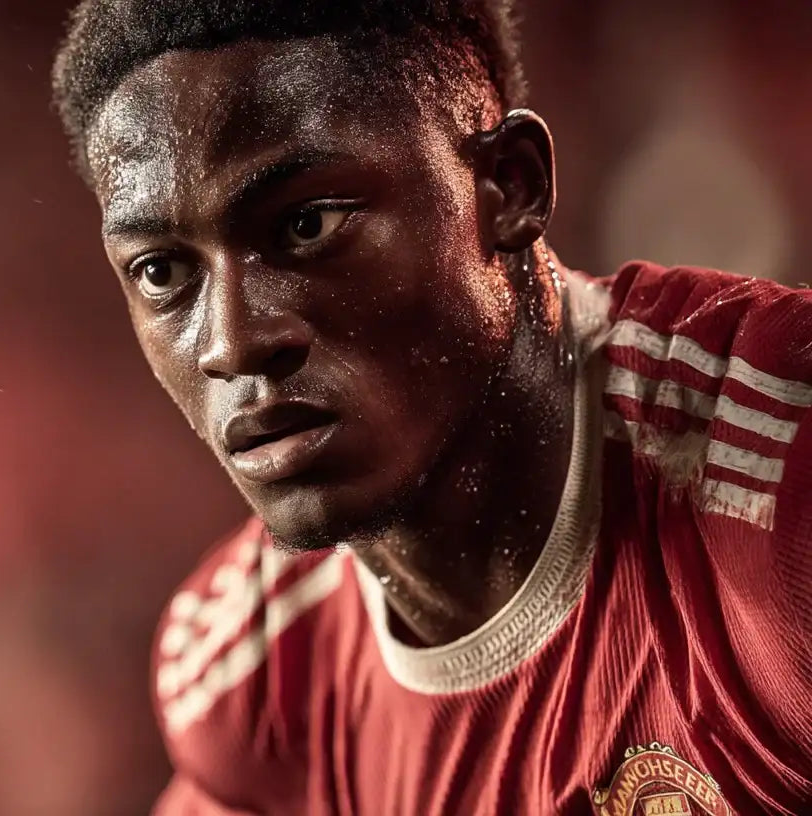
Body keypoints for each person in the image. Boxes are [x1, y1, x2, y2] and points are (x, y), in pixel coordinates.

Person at [49, 2, 812, 813]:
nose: (232, 343)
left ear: (507, 186)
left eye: (308, 225)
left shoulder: (779, 485)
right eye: (164, 273)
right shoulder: (258, 681)